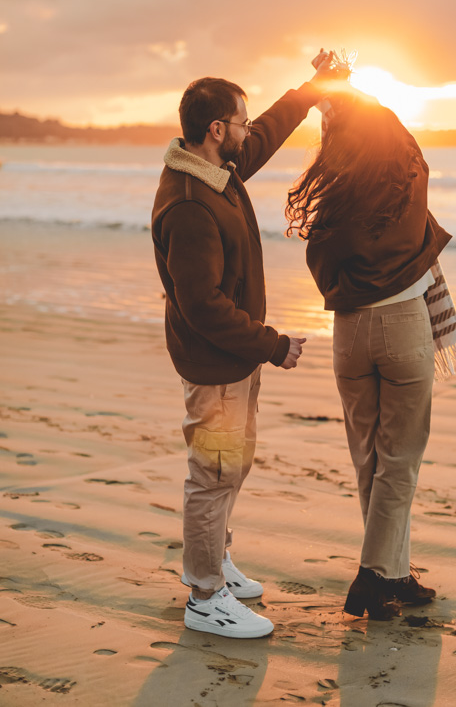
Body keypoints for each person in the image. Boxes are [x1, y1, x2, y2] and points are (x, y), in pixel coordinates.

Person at [152, 52, 339, 639]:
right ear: (216, 130)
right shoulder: (189, 203)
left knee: (231, 467)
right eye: (240, 121)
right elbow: (202, 304)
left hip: (231, 358)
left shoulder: (219, 173)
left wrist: (311, 91)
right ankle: (205, 596)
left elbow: (264, 138)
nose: (246, 130)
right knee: (211, 474)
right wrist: (272, 344)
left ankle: (215, 561)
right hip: (215, 361)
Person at [286, 84, 452, 620]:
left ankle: (394, 575)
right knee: (399, 460)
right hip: (403, 325)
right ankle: (371, 577)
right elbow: (391, 124)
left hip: (349, 332)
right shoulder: (410, 173)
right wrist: (348, 89)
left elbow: (319, 262)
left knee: (371, 458)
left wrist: (328, 99)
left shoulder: (337, 197)